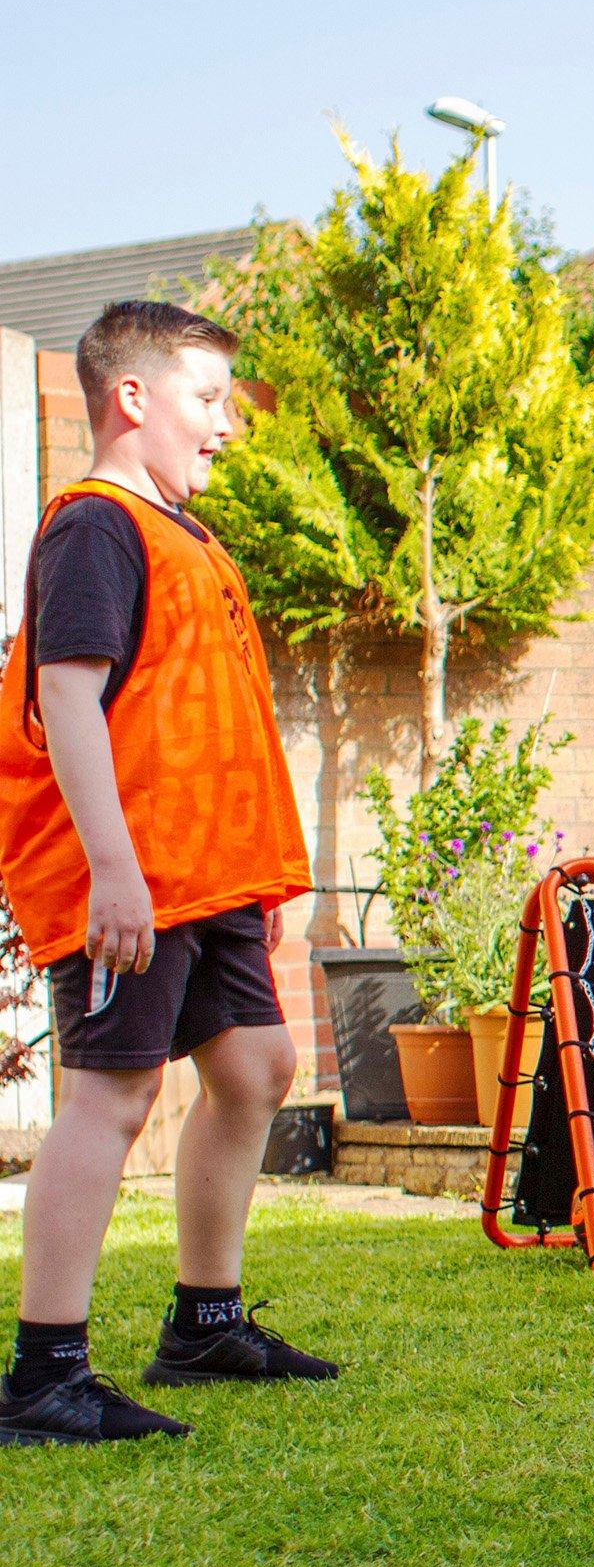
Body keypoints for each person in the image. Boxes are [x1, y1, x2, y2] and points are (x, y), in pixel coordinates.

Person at [0, 300, 337, 1447]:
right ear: (131, 398)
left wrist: (248, 884)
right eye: (209, 397)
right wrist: (112, 873)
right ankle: (45, 1373)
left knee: (254, 1067)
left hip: (208, 877)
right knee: (115, 1094)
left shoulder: (180, 532)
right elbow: (66, 698)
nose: (228, 424)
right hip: (134, 878)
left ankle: (204, 1321)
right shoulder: (96, 527)